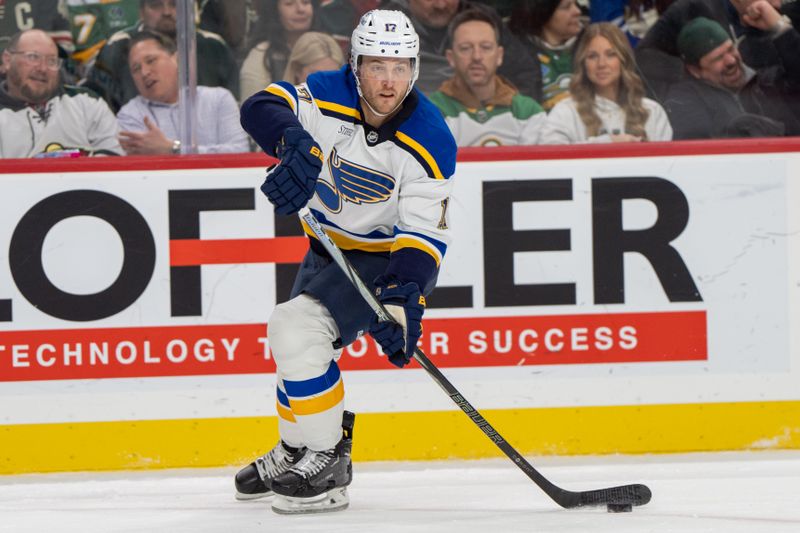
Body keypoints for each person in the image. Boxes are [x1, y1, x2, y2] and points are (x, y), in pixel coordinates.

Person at [236, 9, 456, 514]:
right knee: (295, 348)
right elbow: (261, 105)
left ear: (415, 70)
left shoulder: (431, 137)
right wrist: (291, 142)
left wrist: (404, 296)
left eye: (400, 67)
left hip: (380, 262)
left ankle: (328, 459)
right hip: (325, 245)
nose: (388, 80)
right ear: (355, 65)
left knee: (296, 331)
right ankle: (296, 448)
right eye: (377, 66)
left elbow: (424, 232)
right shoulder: (326, 92)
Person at [664, 8, 800, 138]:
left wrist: (781, 29)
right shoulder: (684, 101)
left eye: (730, 49)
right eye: (718, 58)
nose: (731, 61)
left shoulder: (765, 79)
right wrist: (738, 129)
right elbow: (696, 149)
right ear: (695, 71)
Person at [84, 0, 239, 113]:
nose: (167, 12)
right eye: (156, 5)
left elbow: (234, 109)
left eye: (175, 4)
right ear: (141, 12)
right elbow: (101, 111)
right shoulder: (118, 46)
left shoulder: (213, 46)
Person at [634, 0, 798, 102]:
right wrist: (698, 75)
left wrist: (780, 28)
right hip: (718, 127)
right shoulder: (691, 8)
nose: (777, 4)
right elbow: (644, 58)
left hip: (780, 119)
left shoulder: (787, 11)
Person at [378, 0, 543, 100]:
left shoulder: (482, 19)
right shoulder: (384, 25)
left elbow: (524, 73)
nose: (441, 4)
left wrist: (509, 113)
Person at [117, 31, 249, 154]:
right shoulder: (130, 114)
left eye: (151, 61)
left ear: (177, 59)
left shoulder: (218, 99)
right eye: (136, 69)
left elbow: (240, 152)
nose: (144, 72)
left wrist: (173, 149)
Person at [540, 22, 672, 144]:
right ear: (583, 63)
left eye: (610, 54)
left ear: (623, 60)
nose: (601, 64)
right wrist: (607, 142)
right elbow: (549, 159)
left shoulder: (652, 111)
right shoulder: (565, 111)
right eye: (592, 56)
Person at [430, 8, 545, 146]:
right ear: (450, 57)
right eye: (465, 48)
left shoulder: (529, 112)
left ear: (500, 55)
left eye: (486, 47)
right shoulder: (431, 112)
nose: (477, 57)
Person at [0, 29, 122, 158]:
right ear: (7, 60)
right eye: (33, 57)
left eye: (52, 61)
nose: (42, 68)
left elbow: (115, 154)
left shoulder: (86, 102)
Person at [509, 0, 583, 111]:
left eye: (575, 4)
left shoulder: (591, 44)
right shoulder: (516, 54)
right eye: (566, 7)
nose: (577, 11)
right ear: (543, 12)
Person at [239, 0, 318, 102]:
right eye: (289, 4)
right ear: (275, 11)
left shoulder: (326, 48)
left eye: (306, 2)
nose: (301, 9)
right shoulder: (261, 55)